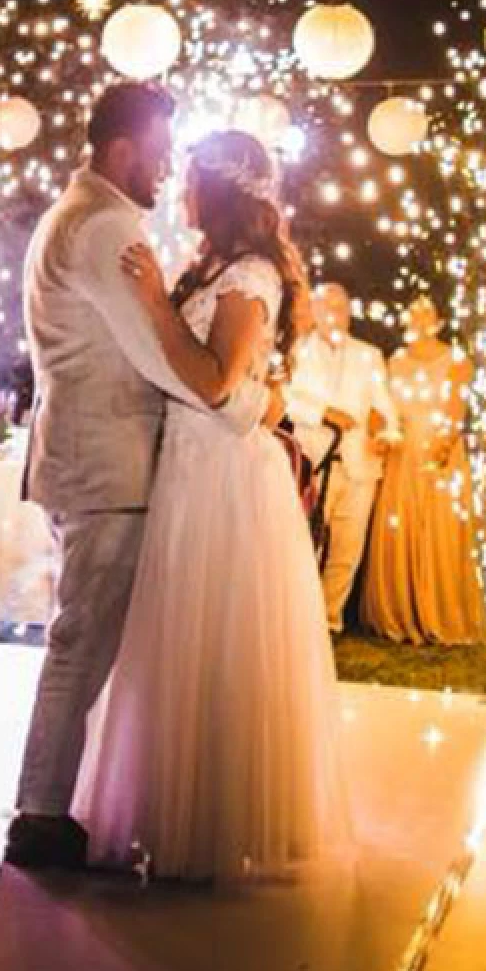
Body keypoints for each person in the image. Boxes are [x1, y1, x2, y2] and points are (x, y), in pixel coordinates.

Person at [6, 84, 280, 873]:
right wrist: (256, 404)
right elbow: (172, 366)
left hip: (86, 458)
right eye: (160, 154)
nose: (166, 172)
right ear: (123, 148)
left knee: (87, 642)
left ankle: (60, 799)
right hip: (108, 465)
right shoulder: (107, 225)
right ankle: (41, 815)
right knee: (81, 643)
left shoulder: (71, 212)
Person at [75, 128, 350, 880]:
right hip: (194, 467)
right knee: (182, 640)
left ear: (222, 192)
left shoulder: (251, 274)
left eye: (193, 179)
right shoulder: (220, 266)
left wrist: (156, 304)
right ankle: (175, 814)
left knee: (217, 641)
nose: (181, 189)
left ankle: (217, 824)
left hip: (226, 479)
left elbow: (214, 382)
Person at [361, 297, 486, 645]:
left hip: (438, 453)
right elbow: (384, 409)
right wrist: (382, 432)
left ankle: (439, 612)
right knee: (402, 527)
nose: (418, 318)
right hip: (403, 454)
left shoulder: (457, 361)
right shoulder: (395, 360)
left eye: (426, 312)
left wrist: (442, 448)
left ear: (441, 320)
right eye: (412, 312)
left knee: (438, 530)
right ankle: (401, 611)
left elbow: (455, 412)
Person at [287, 282, 400, 633]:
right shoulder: (296, 351)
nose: (335, 315)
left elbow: (386, 409)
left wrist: (385, 435)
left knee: (347, 551)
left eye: (341, 308)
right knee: (308, 546)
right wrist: (325, 413)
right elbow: (286, 400)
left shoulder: (369, 355)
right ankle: (300, 623)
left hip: (360, 466)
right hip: (316, 461)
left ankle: (328, 622)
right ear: (315, 313)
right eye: (327, 307)